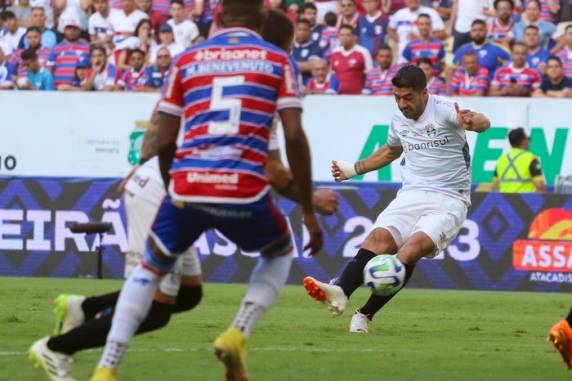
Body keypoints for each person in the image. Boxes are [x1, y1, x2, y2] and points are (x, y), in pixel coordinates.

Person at [90, 2, 323, 381]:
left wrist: (173, 189)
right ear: (262, 20)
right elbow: (294, 136)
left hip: (187, 184)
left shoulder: (186, 59)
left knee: (147, 272)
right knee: (279, 252)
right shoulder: (278, 60)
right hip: (243, 189)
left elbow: (165, 139)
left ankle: (107, 367)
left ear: (216, 17)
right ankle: (237, 332)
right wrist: (309, 210)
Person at [303, 64, 490, 334]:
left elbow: (483, 122)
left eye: (408, 98)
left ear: (424, 94)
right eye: (397, 97)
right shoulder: (398, 119)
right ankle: (340, 290)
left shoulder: (446, 109)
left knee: (411, 250)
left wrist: (474, 122)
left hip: (449, 197)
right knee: (378, 239)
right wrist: (354, 169)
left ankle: (365, 314)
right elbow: (391, 151)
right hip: (411, 193)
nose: (402, 104)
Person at [491, 128, 546, 193]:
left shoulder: (501, 159)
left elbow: (494, 187)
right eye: (528, 138)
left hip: (505, 202)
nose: (529, 141)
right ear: (523, 141)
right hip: (526, 202)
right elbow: (540, 186)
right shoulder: (531, 158)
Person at [47, 12, 90, 87]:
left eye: (74, 29)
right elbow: (50, 69)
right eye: (69, 28)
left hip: (80, 89)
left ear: (79, 30)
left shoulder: (87, 47)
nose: (71, 31)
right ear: (64, 30)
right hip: (58, 89)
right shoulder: (56, 47)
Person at [329, 24, 373, 94]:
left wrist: (366, 90)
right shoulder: (334, 53)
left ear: (354, 37)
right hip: (339, 96)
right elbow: (333, 75)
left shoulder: (363, 52)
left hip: (358, 95)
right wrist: (332, 89)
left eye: (348, 35)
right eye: (342, 35)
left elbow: (370, 74)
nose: (344, 38)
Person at [293, 18, 323, 85]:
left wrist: (287, 64)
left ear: (310, 32)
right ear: (295, 31)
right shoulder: (289, 47)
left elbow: (312, 66)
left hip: (308, 88)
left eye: (305, 30)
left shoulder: (316, 48)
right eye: (299, 29)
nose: (302, 32)